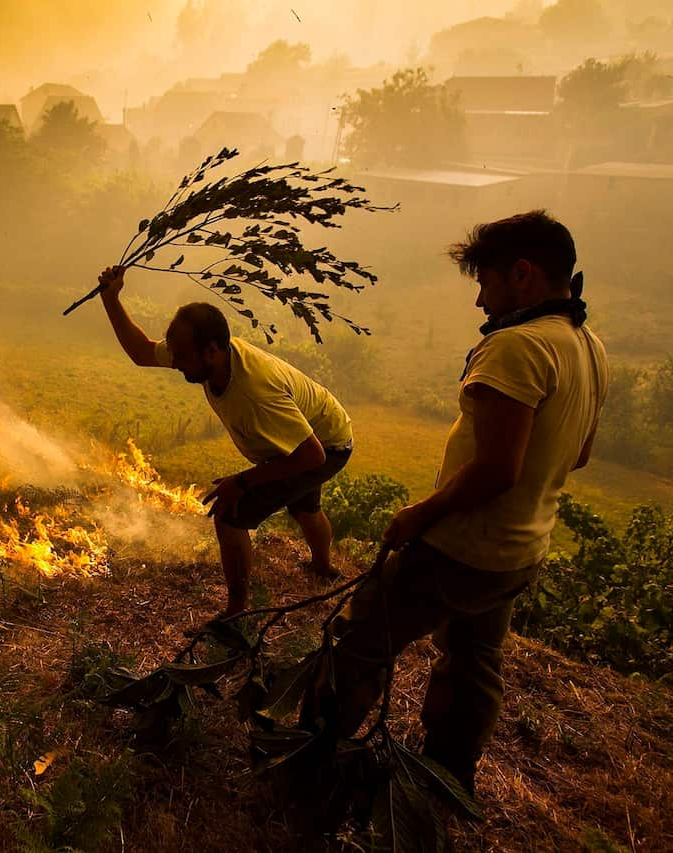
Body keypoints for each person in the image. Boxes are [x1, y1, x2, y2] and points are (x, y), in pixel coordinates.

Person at [314, 210, 608, 793]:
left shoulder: (516, 348)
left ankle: (313, 759)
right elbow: (577, 455)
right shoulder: (587, 344)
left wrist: (419, 514)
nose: (479, 301)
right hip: (520, 550)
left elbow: (497, 469)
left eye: (485, 282)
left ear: (521, 274)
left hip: (462, 546)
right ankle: (447, 778)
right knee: (473, 662)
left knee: (362, 641)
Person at [97, 265, 355, 617]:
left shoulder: (255, 392)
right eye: (174, 353)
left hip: (325, 445)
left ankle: (236, 611)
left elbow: (312, 457)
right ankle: (323, 570)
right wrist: (111, 299)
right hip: (310, 431)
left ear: (212, 351)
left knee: (231, 515)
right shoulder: (210, 358)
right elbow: (142, 352)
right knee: (303, 506)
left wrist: (243, 481)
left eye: (182, 356)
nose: (176, 363)